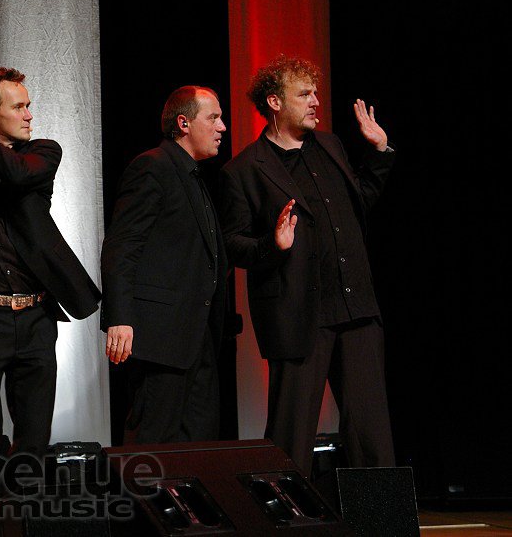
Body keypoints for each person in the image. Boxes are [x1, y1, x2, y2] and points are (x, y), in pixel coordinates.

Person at [218, 54, 396, 476]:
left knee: (371, 434)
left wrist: (379, 152)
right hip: (299, 316)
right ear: (275, 102)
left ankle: (378, 513)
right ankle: (285, 511)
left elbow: (359, 205)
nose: (316, 101)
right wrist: (272, 244)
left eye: (315, 93)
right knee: (291, 436)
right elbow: (233, 245)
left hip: (355, 308)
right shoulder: (244, 170)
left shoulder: (331, 146)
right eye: (304, 94)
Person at [0, 68, 101, 509]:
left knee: (34, 437)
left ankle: (24, 516)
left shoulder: (42, 153)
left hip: (35, 317)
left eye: (29, 106)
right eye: (19, 106)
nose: (30, 115)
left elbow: (14, 175)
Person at [100, 85, 229, 444]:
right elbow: (122, 245)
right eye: (214, 118)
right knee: (152, 443)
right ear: (184, 123)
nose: (222, 127)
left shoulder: (194, 177)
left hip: (197, 338)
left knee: (198, 446)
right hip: (161, 340)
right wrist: (120, 317)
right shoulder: (153, 167)